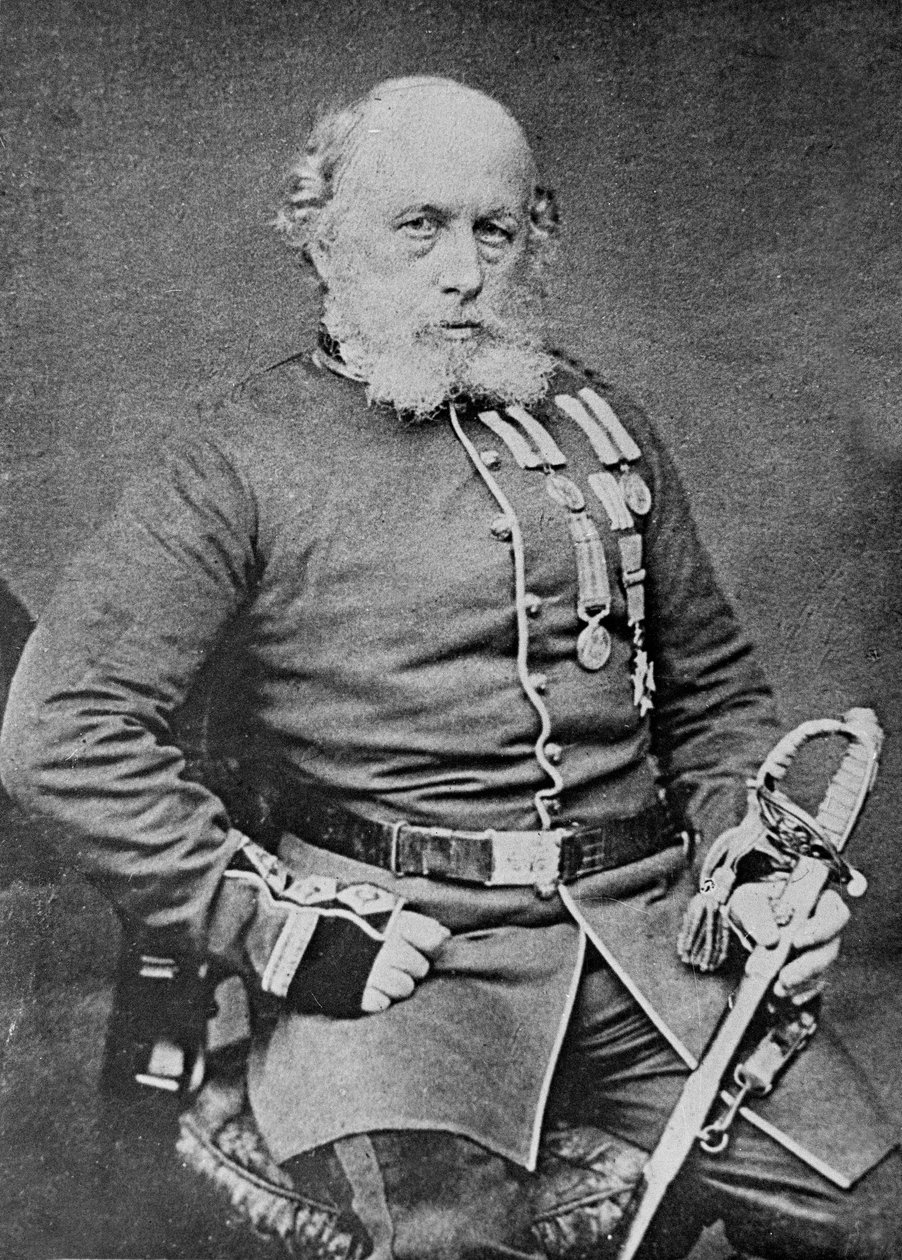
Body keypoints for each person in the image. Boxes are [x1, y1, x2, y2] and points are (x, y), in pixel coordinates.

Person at [1, 76, 899, 1260]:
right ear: (321, 232)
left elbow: (714, 697)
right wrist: (269, 927)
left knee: (873, 1217)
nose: (463, 271)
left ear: (537, 239)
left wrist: (754, 870)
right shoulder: (232, 459)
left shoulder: (603, 425)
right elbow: (61, 730)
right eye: (417, 227)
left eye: (496, 229)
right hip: (402, 969)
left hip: (648, 949)